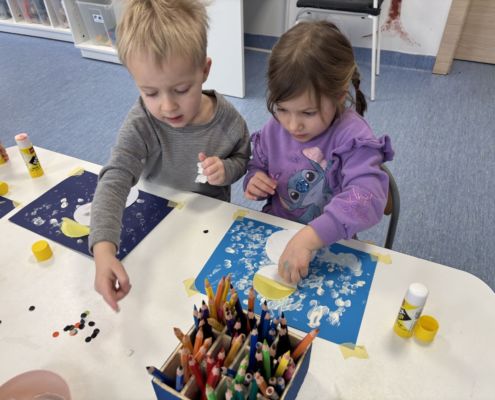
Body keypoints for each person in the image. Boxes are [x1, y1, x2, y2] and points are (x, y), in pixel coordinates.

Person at [90, 0, 251, 312]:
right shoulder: (143, 121)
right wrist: (103, 249)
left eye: (181, 89)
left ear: (204, 70)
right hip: (156, 218)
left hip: (209, 221)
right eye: (150, 93)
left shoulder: (229, 121)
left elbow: (243, 159)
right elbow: (115, 177)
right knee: (159, 302)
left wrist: (227, 170)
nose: (167, 106)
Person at [243, 21, 394, 284]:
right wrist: (254, 179)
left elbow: (367, 198)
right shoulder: (274, 128)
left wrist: (310, 237)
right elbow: (258, 164)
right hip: (278, 232)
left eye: (308, 113)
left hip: (331, 241)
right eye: (282, 109)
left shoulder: (353, 138)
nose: (293, 125)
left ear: (339, 96)